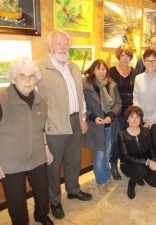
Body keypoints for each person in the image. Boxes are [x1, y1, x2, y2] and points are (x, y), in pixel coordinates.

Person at [35, 30, 92, 220]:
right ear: (49, 46)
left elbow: (80, 96)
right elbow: (34, 101)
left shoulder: (74, 67)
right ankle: (54, 201)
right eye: (59, 43)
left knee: (73, 159)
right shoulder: (39, 68)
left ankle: (74, 190)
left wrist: (83, 118)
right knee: (53, 166)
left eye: (66, 44)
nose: (63, 47)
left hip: (75, 120)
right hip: (54, 125)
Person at [0, 57, 54, 225]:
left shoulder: (41, 99)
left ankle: (41, 215)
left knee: (42, 191)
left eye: (32, 76)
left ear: (37, 78)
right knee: (17, 200)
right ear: (13, 78)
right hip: (10, 163)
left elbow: (41, 128)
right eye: (22, 76)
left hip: (37, 157)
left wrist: (46, 149)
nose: (28, 81)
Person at [83, 59, 122, 192]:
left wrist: (110, 116)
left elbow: (118, 104)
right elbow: (83, 107)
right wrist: (94, 117)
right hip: (95, 126)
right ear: (93, 70)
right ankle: (101, 180)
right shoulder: (86, 86)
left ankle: (105, 176)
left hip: (110, 125)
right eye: (98, 68)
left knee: (107, 154)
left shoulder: (111, 84)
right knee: (99, 154)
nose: (101, 71)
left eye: (104, 69)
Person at [118, 106, 156, 199]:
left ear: (141, 119)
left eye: (137, 117)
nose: (135, 120)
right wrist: (147, 162)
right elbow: (125, 157)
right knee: (140, 170)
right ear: (127, 120)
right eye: (131, 117)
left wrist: (154, 161)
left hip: (144, 162)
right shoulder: (122, 135)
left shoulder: (146, 131)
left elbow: (151, 149)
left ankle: (139, 176)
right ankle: (132, 183)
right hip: (128, 164)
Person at [133, 49, 156, 167]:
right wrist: (139, 118)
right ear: (143, 61)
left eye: (154, 60)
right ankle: (148, 170)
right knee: (144, 147)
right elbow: (136, 99)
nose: (150, 63)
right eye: (148, 60)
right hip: (142, 119)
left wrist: (151, 121)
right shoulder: (138, 78)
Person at [109, 44, 139, 180]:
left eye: (128, 55)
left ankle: (126, 164)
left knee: (129, 140)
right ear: (118, 56)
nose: (125, 58)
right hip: (117, 112)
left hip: (131, 113)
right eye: (122, 55)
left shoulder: (135, 73)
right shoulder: (111, 72)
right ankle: (114, 164)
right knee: (117, 139)